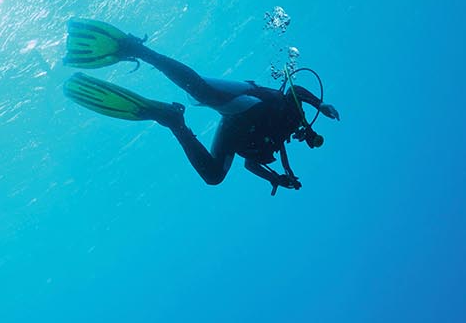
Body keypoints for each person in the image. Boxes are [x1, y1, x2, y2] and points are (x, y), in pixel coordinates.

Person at [61, 19, 339, 193]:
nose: (305, 136)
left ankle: (173, 121)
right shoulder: (291, 114)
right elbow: (295, 89)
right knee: (205, 93)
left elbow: (249, 164)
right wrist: (321, 103)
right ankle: (139, 51)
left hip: (234, 125)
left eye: (308, 139)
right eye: (310, 136)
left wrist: (274, 178)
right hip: (250, 99)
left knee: (214, 176)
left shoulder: (278, 142)